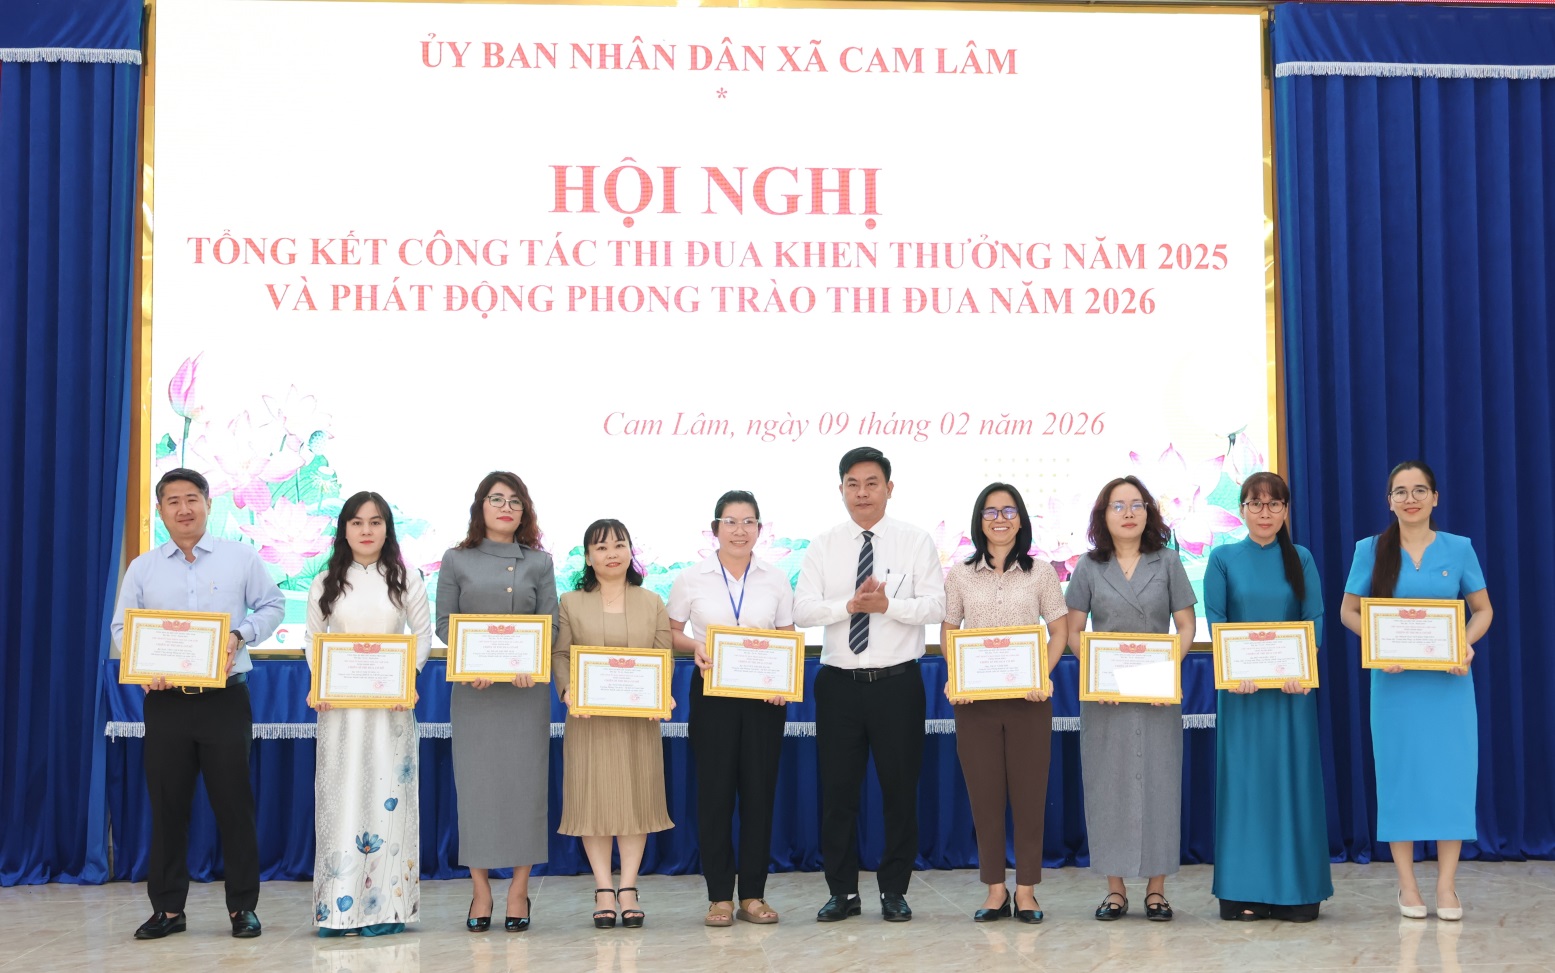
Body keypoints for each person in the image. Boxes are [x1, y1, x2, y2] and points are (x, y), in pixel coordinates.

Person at [110, 468, 286, 940]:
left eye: (192, 498)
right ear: (160, 510)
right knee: (167, 806)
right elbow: (122, 628)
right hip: (166, 703)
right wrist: (145, 667)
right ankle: (168, 910)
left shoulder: (240, 557)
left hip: (225, 699)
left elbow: (272, 605)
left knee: (234, 805)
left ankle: (242, 908)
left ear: (208, 503)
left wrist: (240, 634)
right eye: (173, 501)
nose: (183, 509)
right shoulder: (143, 568)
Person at [794, 446, 946, 923]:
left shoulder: (915, 541)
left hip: (897, 684)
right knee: (838, 794)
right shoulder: (823, 545)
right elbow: (802, 611)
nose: (862, 493)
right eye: (853, 484)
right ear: (841, 490)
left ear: (889, 488)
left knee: (899, 791)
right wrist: (850, 606)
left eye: (872, 483)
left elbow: (936, 607)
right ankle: (842, 892)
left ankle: (894, 890)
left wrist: (887, 607)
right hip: (838, 685)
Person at [1340, 460, 1492, 921]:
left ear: (1435, 498)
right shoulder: (1370, 550)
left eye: (1420, 490)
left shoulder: (1459, 548)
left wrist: (1464, 645)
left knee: (1451, 779)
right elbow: (1348, 611)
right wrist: (1378, 643)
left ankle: (1446, 886)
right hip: (1395, 686)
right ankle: (1407, 886)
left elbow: (1483, 610)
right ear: (1389, 501)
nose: (1411, 499)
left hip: (1448, 687)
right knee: (1399, 779)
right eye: (1401, 492)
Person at [1064, 475, 1196, 922]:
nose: (1128, 513)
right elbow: (1073, 630)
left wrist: (1166, 672)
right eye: (1117, 506)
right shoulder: (1088, 567)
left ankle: (1157, 891)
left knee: (1160, 784)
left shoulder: (1169, 562)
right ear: (1103, 515)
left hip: (1157, 693)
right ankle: (1115, 890)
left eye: (1136, 504)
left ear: (1148, 512)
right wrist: (1098, 675)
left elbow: (1186, 626)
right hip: (1106, 698)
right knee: (1108, 786)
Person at [1205, 472, 1332, 922]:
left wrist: (1302, 668)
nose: (1265, 512)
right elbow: (1217, 621)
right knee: (1246, 787)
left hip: (1291, 694)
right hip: (1242, 695)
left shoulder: (1302, 557)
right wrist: (1234, 670)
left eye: (1274, 504)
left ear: (1285, 510)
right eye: (1255, 504)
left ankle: (1298, 891)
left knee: (1292, 783)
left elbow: (1314, 619)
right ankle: (1244, 890)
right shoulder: (1222, 558)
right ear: (1241, 510)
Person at [305, 491, 433, 936]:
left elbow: (422, 635)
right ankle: (337, 910)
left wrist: (408, 679)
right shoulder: (325, 581)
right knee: (340, 800)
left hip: (390, 710)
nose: (366, 530)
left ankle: (386, 909)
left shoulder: (406, 578)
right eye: (357, 522)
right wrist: (319, 682)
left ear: (387, 529)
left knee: (387, 799)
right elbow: (313, 639)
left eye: (375, 522)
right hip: (340, 711)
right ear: (344, 529)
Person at [436, 471, 558, 932]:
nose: (506, 508)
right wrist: (472, 663)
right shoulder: (456, 559)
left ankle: (519, 890)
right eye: (496, 499)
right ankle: (481, 889)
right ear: (480, 506)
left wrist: (534, 660)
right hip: (476, 693)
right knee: (478, 791)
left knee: (526, 789)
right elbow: (445, 624)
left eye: (515, 501)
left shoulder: (539, 562)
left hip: (525, 693)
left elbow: (550, 625)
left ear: (525, 511)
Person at [942, 482, 1068, 924]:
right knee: (985, 798)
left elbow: (1059, 630)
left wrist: (1041, 674)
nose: (1000, 519)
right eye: (991, 511)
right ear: (979, 520)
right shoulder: (960, 574)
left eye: (1009, 511)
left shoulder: (1042, 572)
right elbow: (949, 629)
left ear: (1021, 519)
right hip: (975, 702)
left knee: (1030, 797)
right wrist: (957, 675)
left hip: (1029, 700)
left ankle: (1027, 891)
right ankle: (996, 890)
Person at [668, 491, 795, 926]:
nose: (740, 530)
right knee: (715, 796)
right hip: (712, 695)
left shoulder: (776, 578)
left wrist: (783, 683)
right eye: (731, 522)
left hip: (764, 700)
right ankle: (720, 896)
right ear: (715, 529)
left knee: (759, 796)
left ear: (760, 528)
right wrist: (696, 646)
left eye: (748, 522)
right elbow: (671, 631)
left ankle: (753, 895)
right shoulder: (691, 578)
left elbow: (786, 634)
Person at [554, 519, 675, 929]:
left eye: (619, 545)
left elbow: (663, 657)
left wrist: (662, 694)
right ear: (588, 558)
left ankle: (629, 887)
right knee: (594, 801)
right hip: (588, 720)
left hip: (638, 721)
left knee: (635, 801)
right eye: (601, 547)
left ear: (630, 552)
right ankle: (604, 888)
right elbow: (561, 655)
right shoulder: (570, 602)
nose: (612, 554)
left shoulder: (652, 601)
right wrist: (568, 691)